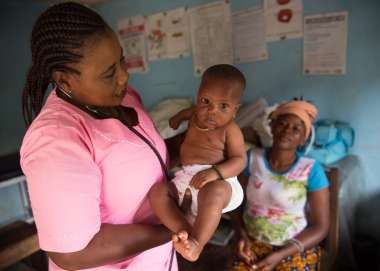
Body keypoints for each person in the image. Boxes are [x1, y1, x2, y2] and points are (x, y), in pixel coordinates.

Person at [20, 2, 185, 270]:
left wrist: (197, 142)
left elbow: (141, 161)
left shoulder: (125, 98)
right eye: (109, 73)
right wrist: (176, 228)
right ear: (64, 81)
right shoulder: (56, 139)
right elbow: (73, 252)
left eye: (121, 59)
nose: (124, 76)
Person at [149, 64, 247, 262]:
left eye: (223, 106)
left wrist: (215, 173)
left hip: (219, 181)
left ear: (235, 110)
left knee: (214, 191)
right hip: (186, 180)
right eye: (205, 101)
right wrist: (176, 120)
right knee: (158, 192)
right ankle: (183, 231)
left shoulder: (231, 129)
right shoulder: (196, 114)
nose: (211, 111)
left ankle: (197, 244)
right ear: (198, 97)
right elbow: (186, 113)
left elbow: (240, 160)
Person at [230, 100, 330, 271]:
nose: (286, 131)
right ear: (272, 126)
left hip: (294, 247)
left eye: (296, 128)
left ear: (303, 138)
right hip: (251, 243)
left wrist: (281, 254)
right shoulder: (252, 158)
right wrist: (241, 235)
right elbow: (234, 202)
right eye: (282, 124)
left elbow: (321, 227)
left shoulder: (311, 170)